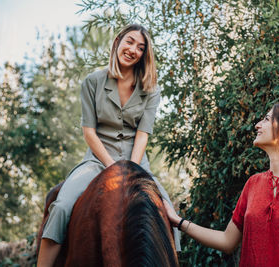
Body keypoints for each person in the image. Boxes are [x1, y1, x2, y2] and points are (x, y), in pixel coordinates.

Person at [37, 24, 180, 266]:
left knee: (170, 217)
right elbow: (89, 133)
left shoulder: (151, 90)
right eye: (130, 42)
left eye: (140, 47)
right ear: (117, 42)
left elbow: (142, 135)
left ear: (144, 55)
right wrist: (112, 167)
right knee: (60, 207)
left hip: (136, 162)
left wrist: (131, 172)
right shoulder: (92, 81)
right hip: (97, 159)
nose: (133, 49)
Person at [165, 101, 279, 266]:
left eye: (267, 119)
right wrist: (179, 222)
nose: (257, 125)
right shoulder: (253, 184)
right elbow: (227, 241)